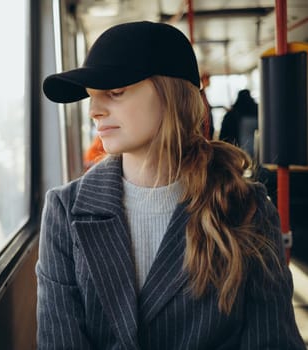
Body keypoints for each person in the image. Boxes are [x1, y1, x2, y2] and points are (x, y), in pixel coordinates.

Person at [37, 21, 303, 349]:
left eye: (115, 92)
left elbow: (272, 341)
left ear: (171, 93)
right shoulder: (65, 211)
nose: (94, 110)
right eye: (91, 97)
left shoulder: (245, 206)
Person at [219, 89, 259, 157]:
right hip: (256, 150)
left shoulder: (231, 115)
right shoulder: (257, 114)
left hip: (235, 150)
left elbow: (223, 135)